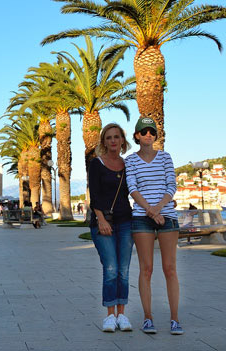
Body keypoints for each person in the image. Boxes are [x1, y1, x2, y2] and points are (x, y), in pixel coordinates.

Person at [124, 117, 182, 335]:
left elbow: (171, 186)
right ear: (137, 136)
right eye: (144, 131)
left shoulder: (166, 157)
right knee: (146, 269)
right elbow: (132, 188)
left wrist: (157, 210)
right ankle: (148, 318)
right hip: (141, 217)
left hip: (165, 215)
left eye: (152, 131)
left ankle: (175, 319)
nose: (148, 134)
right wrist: (150, 211)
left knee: (170, 269)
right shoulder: (130, 160)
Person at [87, 122, 134, 333]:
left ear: (123, 140)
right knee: (111, 268)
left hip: (126, 221)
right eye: (109, 137)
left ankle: (122, 314)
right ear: (103, 142)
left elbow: (136, 191)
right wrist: (101, 219)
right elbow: (94, 194)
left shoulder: (128, 165)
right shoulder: (96, 164)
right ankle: (109, 316)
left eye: (116, 137)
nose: (113, 140)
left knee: (123, 270)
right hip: (102, 221)